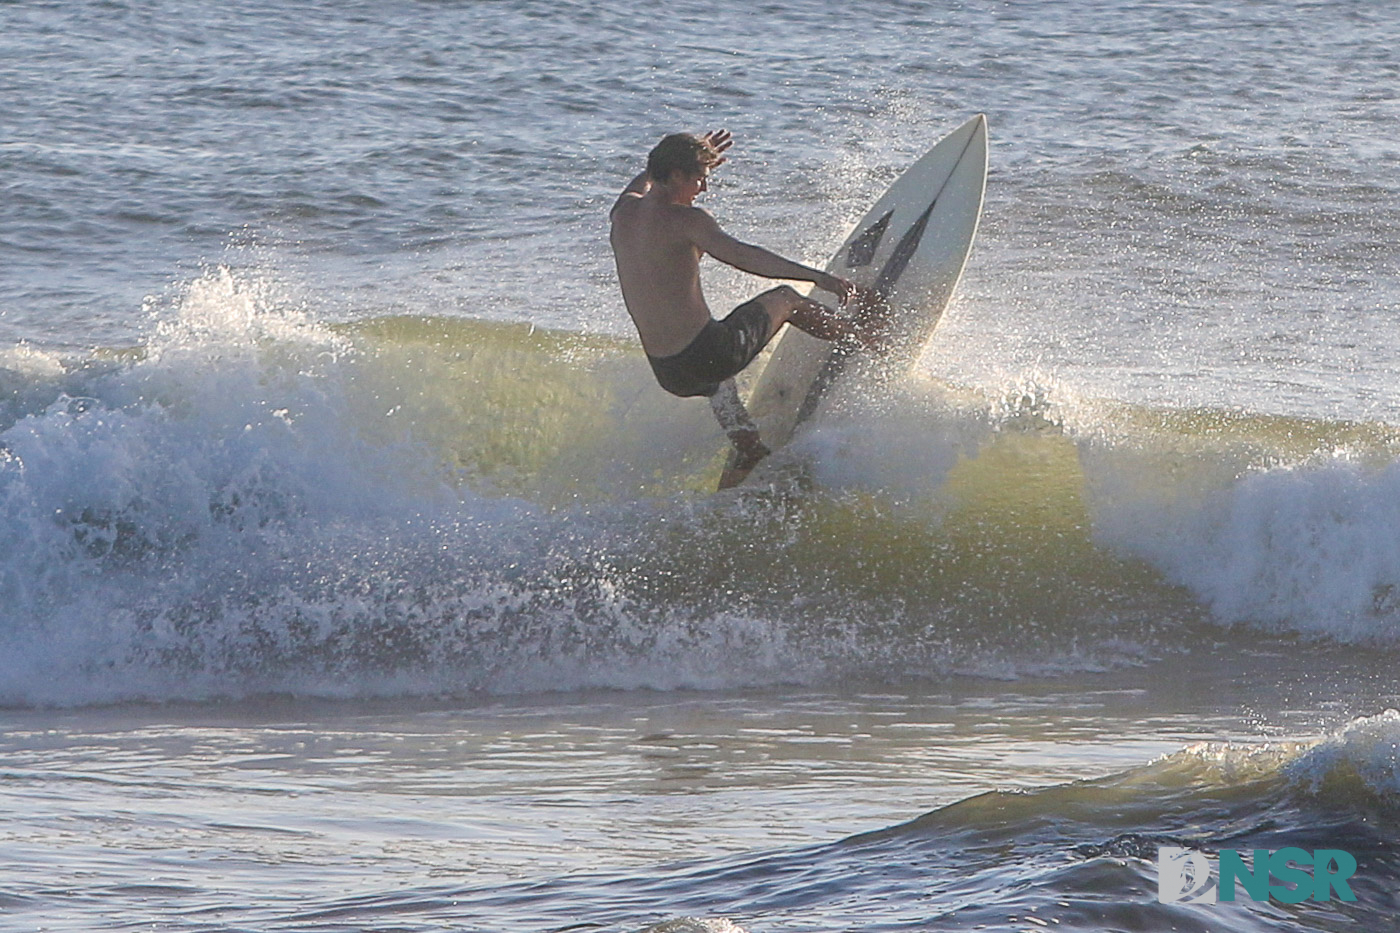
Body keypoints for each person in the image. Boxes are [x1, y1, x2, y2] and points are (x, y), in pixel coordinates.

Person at [609, 129, 880, 482]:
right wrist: (818, 278)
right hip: (710, 354)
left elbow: (644, 182)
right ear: (676, 174)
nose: (703, 189)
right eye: (699, 179)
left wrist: (671, 162)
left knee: (719, 378)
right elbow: (745, 257)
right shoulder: (688, 221)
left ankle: (749, 449)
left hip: (669, 372)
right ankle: (864, 337)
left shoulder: (623, 212)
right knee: (785, 299)